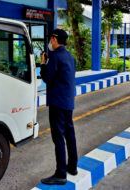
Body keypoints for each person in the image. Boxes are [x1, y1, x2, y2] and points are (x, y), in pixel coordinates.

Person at [40, 29, 78, 185]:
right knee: (69, 135)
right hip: (68, 102)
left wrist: (43, 63)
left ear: (55, 39)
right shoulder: (70, 57)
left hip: (57, 103)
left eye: (51, 38)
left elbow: (48, 78)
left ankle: (61, 174)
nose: (50, 41)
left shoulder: (55, 56)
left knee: (58, 139)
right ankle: (72, 167)